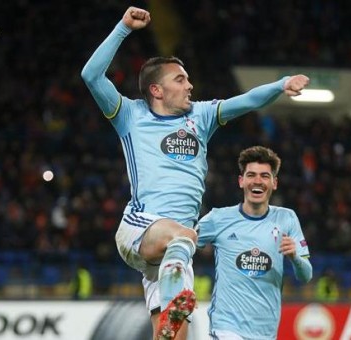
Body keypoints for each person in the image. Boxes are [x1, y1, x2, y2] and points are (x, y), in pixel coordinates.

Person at [81, 7, 309, 340]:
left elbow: (244, 101)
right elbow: (91, 76)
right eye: (180, 79)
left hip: (173, 255)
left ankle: (172, 309)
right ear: (157, 90)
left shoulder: (200, 118)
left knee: (173, 337)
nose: (190, 85)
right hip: (142, 227)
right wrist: (123, 28)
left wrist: (281, 84)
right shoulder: (130, 115)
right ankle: (176, 295)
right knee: (184, 236)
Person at [196, 146, 313, 339]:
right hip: (226, 328)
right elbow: (184, 242)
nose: (257, 181)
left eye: (265, 176)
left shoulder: (287, 218)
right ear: (241, 181)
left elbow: (306, 275)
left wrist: (294, 257)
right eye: (251, 175)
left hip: (266, 332)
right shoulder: (218, 218)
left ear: (274, 183)